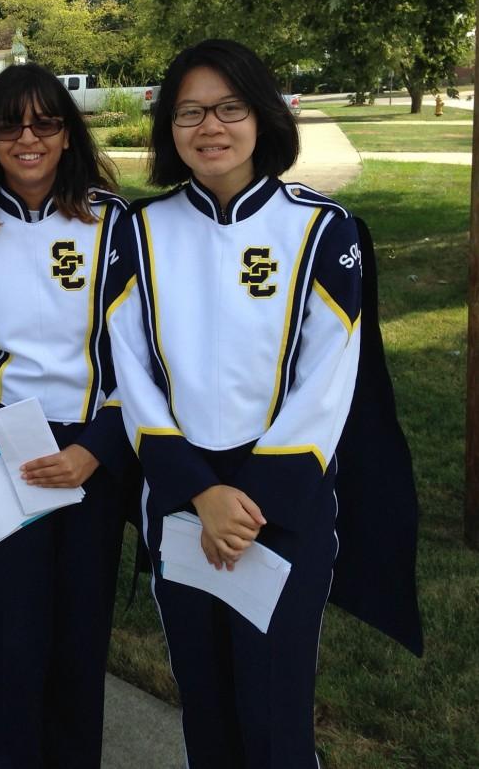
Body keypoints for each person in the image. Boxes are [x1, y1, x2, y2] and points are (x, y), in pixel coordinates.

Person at [106, 38, 364, 767]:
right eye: (189, 112)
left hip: (281, 506)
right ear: (170, 129)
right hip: (183, 503)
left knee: (275, 716)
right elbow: (130, 368)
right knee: (207, 709)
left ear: (264, 118)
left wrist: (249, 500)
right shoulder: (142, 230)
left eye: (229, 108)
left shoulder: (321, 229)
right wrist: (197, 492)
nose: (209, 127)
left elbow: (329, 379)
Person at [0, 62, 135, 768]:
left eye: (46, 122)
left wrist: (97, 448)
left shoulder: (115, 222)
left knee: (79, 646)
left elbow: (141, 355)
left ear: (68, 135)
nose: (28, 138)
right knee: (8, 649)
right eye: (10, 124)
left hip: (91, 459)